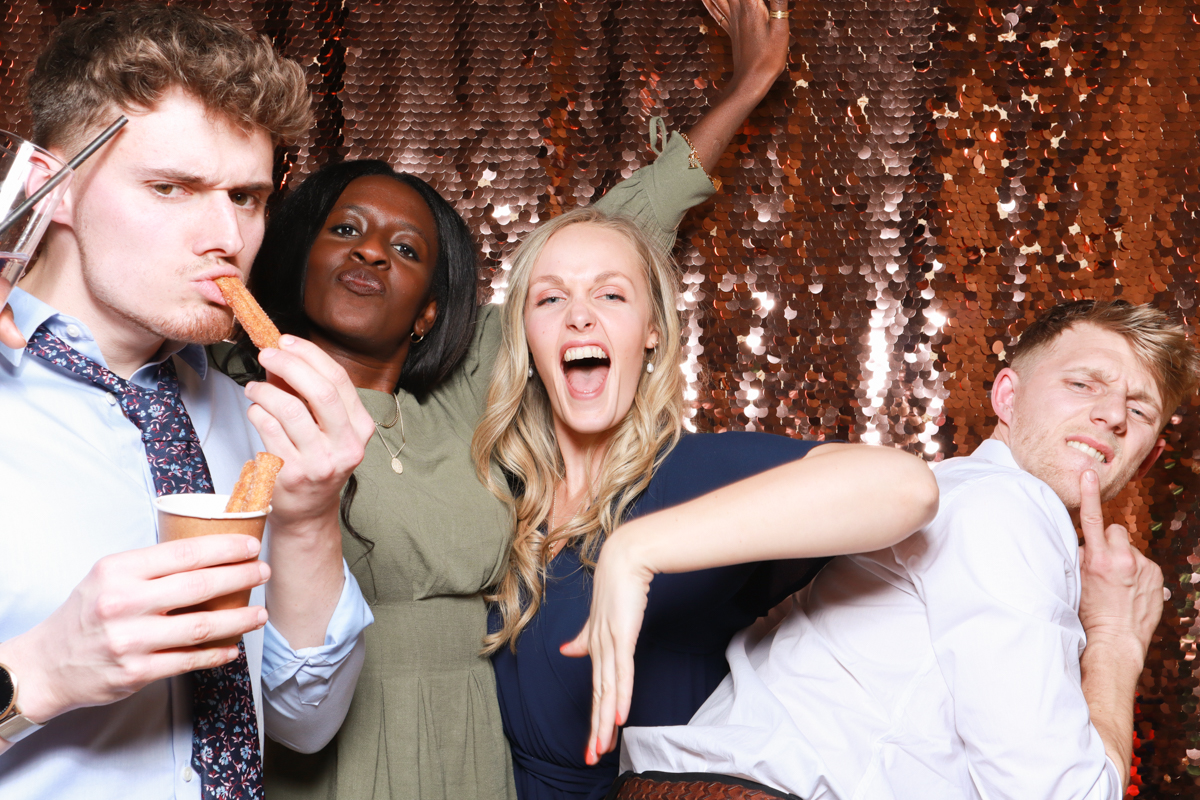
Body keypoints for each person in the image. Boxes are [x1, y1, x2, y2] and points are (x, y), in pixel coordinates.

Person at [226, 3, 794, 797]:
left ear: (430, 308)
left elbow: (605, 245)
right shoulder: (229, 392)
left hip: (470, 750)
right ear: (293, 260)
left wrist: (747, 88)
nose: (369, 251)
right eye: (344, 229)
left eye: (405, 248)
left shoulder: (466, 395)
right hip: (318, 754)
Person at [0, 4, 375, 798]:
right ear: (48, 186)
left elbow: (305, 721)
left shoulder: (252, 417)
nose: (226, 237)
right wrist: (36, 676)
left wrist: (308, 519)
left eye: (245, 197)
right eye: (172, 188)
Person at [606, 300, 1198, 800]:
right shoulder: (1007, 506)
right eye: (1082, 383)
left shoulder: (959, 498)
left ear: (1145, 458)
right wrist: (1118, 641)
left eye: (1139, 409)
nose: (1113, 414)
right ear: (1007, 398)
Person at [470, 205, 940, 800]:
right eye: (550, 299)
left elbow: (907, 489)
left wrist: (634, 549)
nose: (580, 317)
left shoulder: (689, 474)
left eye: (611, 296)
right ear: (526, 338)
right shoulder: (498, 491)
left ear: (653, 332)